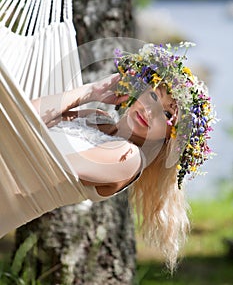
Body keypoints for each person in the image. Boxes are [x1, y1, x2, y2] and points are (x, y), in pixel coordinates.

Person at [32, 42, 216, 270]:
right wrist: (92, 91)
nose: (150, 112)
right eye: (153, 96)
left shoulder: (128, 157)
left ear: (172, 135)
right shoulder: (96, 117)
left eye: (167, 114)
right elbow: (23, 119)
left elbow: (44, 163)